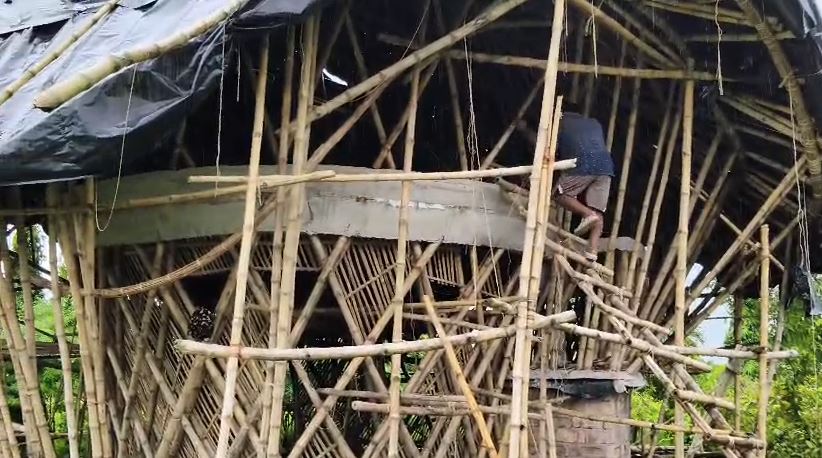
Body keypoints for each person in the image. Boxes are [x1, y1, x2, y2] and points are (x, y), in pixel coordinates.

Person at [553, 104, 614, 261]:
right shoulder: (594, 122)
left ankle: (588, 214)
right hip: (606, 165)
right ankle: (592, 251)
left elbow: (554, 148)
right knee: (598, 209)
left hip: (585, 161)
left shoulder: (560, 121)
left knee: (560, 194)